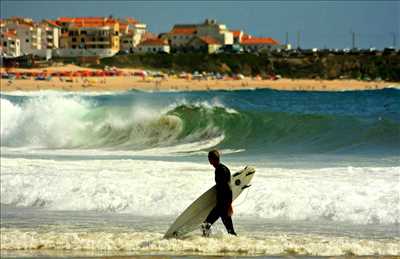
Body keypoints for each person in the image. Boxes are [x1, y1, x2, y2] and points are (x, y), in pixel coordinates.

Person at [202, 149, 237, 237]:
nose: (209, 160)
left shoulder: (220, 170)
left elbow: (228, 188)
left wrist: (229, 205)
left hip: (222, 205)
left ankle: (205, 243)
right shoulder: (222, 168)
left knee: (206, 224)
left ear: (212, 159)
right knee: (230, 231)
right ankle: (237, 245)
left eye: (209, 158)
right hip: (223, 204)